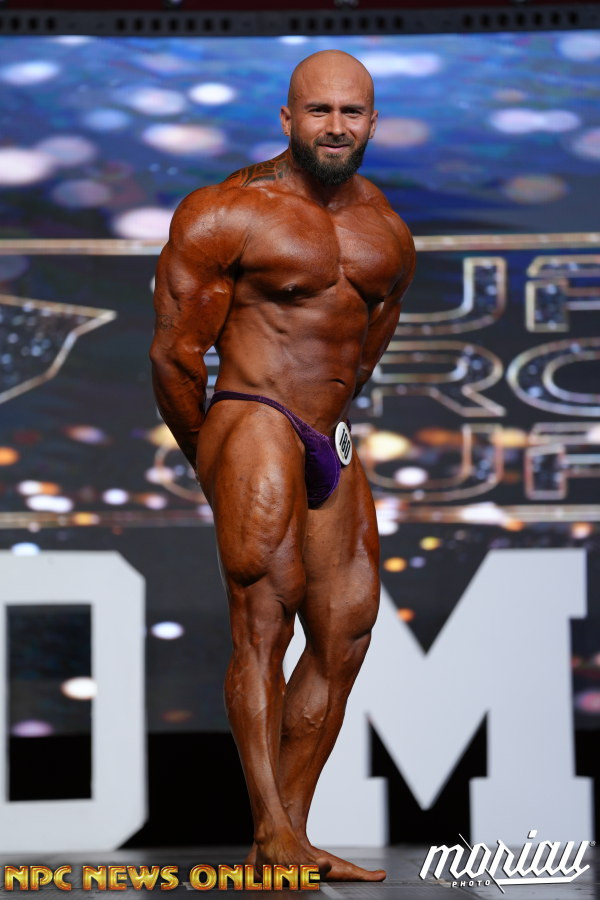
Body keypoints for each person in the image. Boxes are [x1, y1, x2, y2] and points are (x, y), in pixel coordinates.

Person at [150, 49, 415, 882]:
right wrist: (213, 455)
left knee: (347, 627)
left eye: (351, 112)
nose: (335, 126)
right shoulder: (227, 211)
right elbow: (176, 355)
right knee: (266, 618)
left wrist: (324, 423)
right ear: (288, 118)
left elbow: (366, 350)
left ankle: (290, 835)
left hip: (329, 430)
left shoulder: (386, 230)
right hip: (253, 414)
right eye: (319, 111)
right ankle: (268, 828)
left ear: (371, 122)